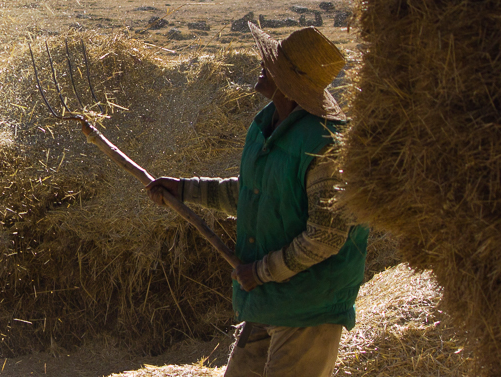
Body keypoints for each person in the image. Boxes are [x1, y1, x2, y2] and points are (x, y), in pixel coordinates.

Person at [147, 23, 368, 377]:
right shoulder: (268, 125)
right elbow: (253, 195)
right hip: (270, 301)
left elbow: (325, 237)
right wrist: (186, 190)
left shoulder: (326, 147)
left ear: (290, 83)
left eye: (273, 64)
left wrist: (261, 272)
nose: (262, 65)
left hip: (308, 307)